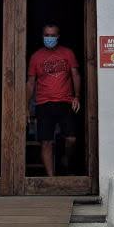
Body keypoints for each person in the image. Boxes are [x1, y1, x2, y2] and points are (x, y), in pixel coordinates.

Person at [26, 23, 81, 177]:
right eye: (46, 35)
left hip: (65, 101)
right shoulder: (36, 57)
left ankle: (65, 159)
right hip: (44, 103)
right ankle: (51, 179)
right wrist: (26, 105)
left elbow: (75, 75)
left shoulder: (67, 53)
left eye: (52, 35)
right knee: (46, 142)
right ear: (42, 36)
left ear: (58, 37)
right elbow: (30, 83)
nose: (49, 38)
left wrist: (77, 96)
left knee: (71, 138)